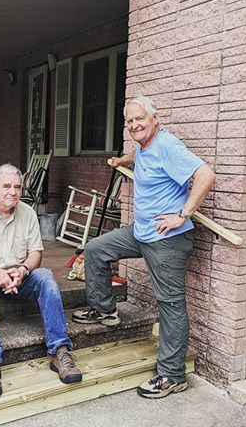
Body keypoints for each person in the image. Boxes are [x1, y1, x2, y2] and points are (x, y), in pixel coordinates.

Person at [72, 95, 215, 399]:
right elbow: (140, 157)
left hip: (166, 239)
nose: (134, 124)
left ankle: (172, 376)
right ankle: (105, 310)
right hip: (141, 232)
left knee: (170, 304)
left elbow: (205, 174)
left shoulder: (168, 146)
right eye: (129, 121)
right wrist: (123, 160)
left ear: (155, 119)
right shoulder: (145, 146)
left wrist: (183, 214)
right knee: (96, 249)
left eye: (140, 119)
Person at [0, 164, 82, 398]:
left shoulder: (27, 213)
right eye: (7, 186)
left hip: (18, 278)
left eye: (17, 187)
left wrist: (23, 269)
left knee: (46, 277)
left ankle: (59, 350)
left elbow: (36, 254)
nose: (13, 192)